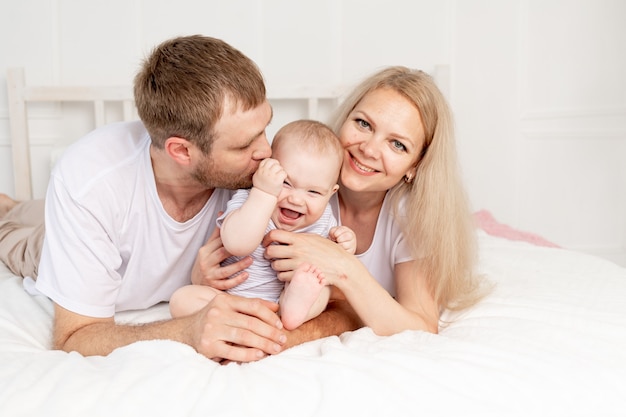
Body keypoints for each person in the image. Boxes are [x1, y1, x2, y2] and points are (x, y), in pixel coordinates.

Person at [0, 35, 361, 363]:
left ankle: (18, 206)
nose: (267, 152)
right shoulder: (92, 185)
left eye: (265, 127)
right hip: (49, 238)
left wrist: (266, 331)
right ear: (181, 151)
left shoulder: (274, 181)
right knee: (19, 234)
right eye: (243, 145)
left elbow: (345, 301)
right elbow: (74, 337)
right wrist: (189, 331)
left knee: (32, 210)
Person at [258, 66, 487, 335]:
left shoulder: (411, 216)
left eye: (397, 144)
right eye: (363, 124)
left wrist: (344, 268)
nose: (368, 149)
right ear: (345, 119)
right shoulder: (296, 183)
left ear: (416, 165)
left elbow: (422, 325)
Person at [170, 120, 356, 330]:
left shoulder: (323, 222)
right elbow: (237, 244)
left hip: (281, 302)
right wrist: (264, 192)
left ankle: (292, 310)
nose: (296, 199)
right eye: (286, 183)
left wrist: (344, 244)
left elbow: (334, 263)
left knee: (321, 288)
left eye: (313, 192)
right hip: (230, 301)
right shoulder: (249, 200)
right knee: (182, 299)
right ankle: (242, 321)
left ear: (331, 193)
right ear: (266, 170)